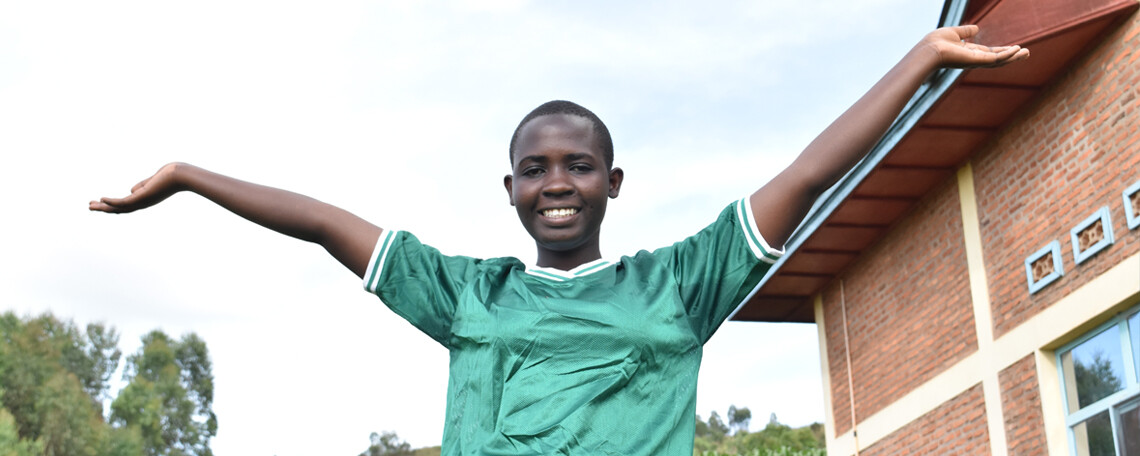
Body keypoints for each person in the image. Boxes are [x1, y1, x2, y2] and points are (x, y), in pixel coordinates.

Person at [91, 25, 1028, 455]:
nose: (557, 184)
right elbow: (324, 224)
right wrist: (186, 177)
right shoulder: (471, 294)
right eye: (536, 169)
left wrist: (921, 60)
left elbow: (805, 176)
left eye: (577, 165)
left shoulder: (681, 284)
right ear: (510, 192)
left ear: (612, 182)